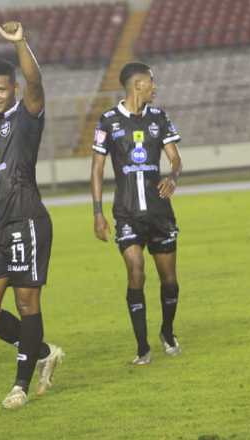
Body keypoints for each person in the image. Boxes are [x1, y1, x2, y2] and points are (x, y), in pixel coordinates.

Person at [0, 22, 64, 409]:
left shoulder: (26, 117)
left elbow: (36, 83)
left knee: (28, 304)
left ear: (12, 89)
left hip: (27, 221)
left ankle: (20, 385)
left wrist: (22, 42)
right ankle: (42, 350)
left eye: (0, 89)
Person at [90, 62, 184, 366]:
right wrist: (97, 212)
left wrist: (173, 177)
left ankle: (167, 332)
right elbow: (97, 167)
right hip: (127, 213)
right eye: (151, 83)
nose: (155, 88)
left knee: (168, 279)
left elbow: (175, 159)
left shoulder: (160, 118)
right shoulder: (107, 121)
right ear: (137, 85)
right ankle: (142, 346)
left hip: (160, 212)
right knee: (136, 269)